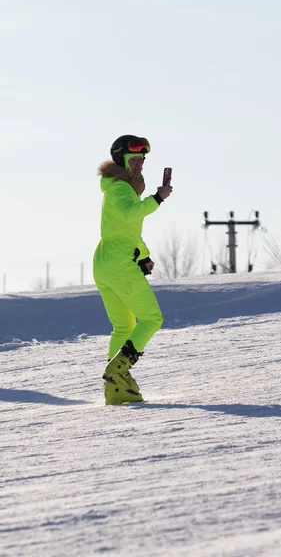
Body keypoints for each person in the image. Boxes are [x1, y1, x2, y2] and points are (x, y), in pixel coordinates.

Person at [93, 134, 172, 405]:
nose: (139, 164)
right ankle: (118, 369)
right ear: (122, 159)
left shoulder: (117, 187)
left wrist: (144, 256)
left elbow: (127, 229)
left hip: (106, 261)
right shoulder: (120, 188)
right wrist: (157, 199)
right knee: (152, 318)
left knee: (123, 325)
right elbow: (130, 214)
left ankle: (115, 389)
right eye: (134, 159)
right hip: (117, 263)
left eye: (141, 159)